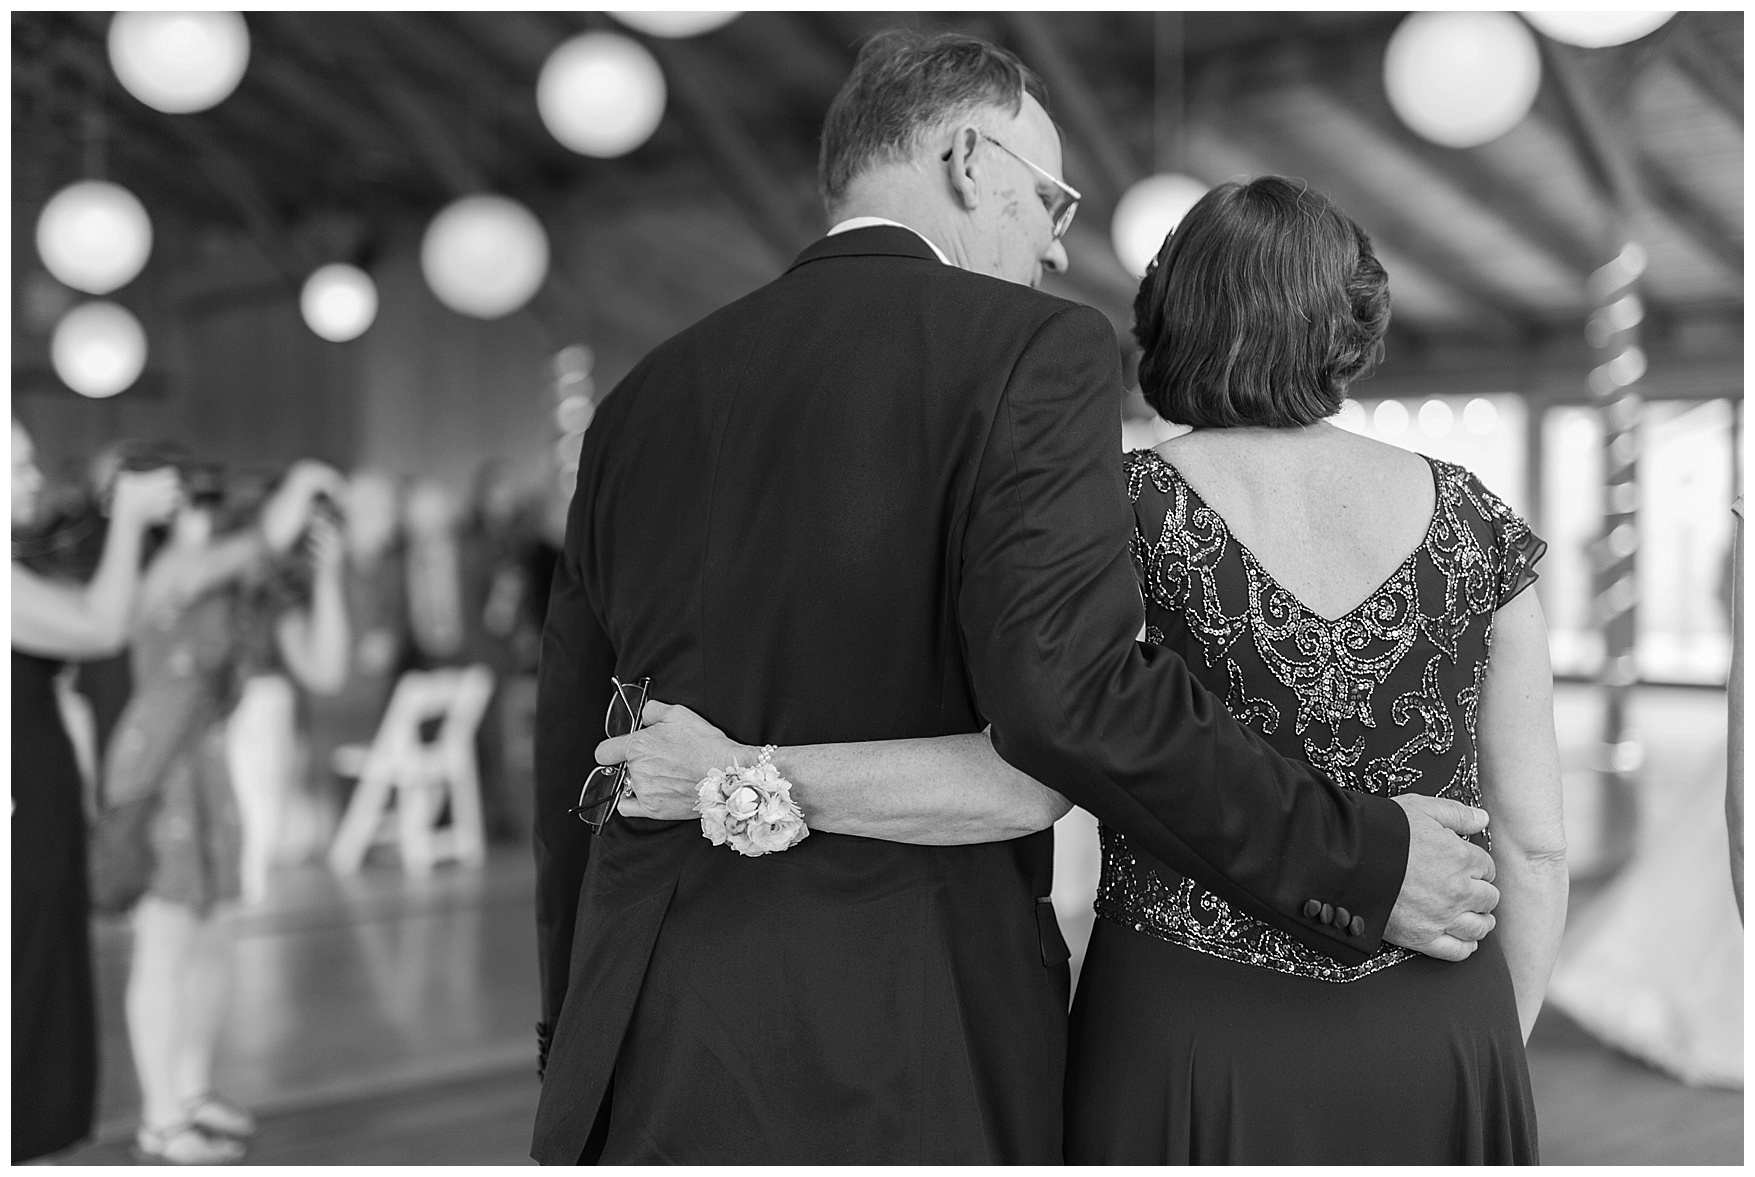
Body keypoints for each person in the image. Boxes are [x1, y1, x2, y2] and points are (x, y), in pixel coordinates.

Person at [532, 32, 1496, 1165]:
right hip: (907, 1021)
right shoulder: (1030, 352)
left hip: (644, 1013)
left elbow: (574, 749)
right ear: (967, 158)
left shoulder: (642, 398)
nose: (1055, 242)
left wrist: (572, 1021)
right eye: (1050, 198)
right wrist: (1358, 855)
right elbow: (1071, 700)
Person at [109, 459, 348, 1164]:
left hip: (214, 772)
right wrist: (302, 482)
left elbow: (326, 668)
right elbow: (241, 549)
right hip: (158, 771)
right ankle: (159, 1118)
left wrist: (327, 569)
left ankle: (189, 1092)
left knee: (212, 935)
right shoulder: (173, 571)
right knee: (165, 941)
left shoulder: (248, 588)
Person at [12, 421, 179, 1163]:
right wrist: (129, 519)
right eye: (13, 465)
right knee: (26, 961)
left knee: (41, 955)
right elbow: (100, 625)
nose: (32, 479)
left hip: (38, 776)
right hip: (19, 784)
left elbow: (124, 607)